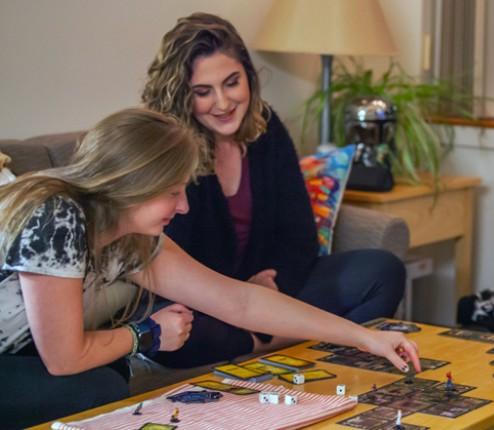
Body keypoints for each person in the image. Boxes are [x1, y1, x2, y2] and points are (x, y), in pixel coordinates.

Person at [0, 108, 420, 429]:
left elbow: (237, 300)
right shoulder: (56, 215)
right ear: (133, 184)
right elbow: (63, 357)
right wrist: (147, 334)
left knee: (107, 377)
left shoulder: (129, 238)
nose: (182, 206)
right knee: (97, 386)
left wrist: (365, 337)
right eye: (172, 192)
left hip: (25, 358)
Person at [140, 12, 407, 368]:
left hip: (269, 291)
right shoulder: (168, 149)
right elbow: (173, 263)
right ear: (181, 97)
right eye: (203, 92)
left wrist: (271, 286)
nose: (222, 103)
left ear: (249, 76)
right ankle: (276, 342)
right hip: (207, 304)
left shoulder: (266, 128)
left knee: (381, 270)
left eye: (232, 82)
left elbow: (299, 237)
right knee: (179, 333)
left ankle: (269, 340)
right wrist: (244, 300)